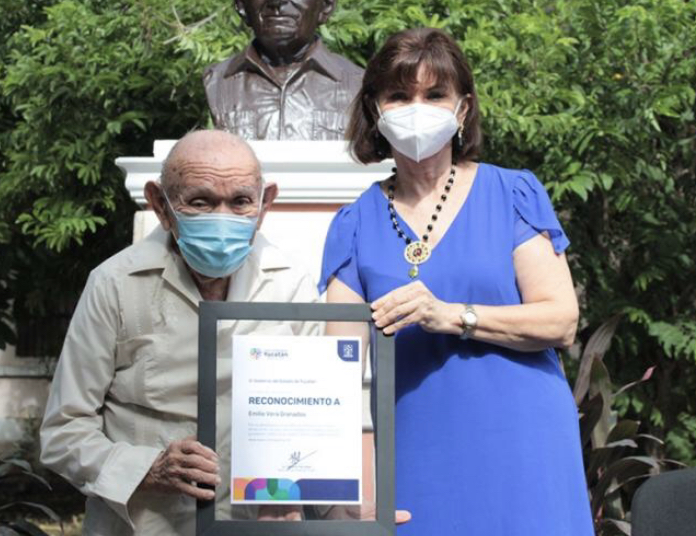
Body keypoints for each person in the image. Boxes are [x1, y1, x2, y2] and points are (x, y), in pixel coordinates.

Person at [319, 28, 594, 535]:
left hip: (525, 446)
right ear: (375, 109)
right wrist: (335, 496)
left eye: (434, 95)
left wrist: (451, 315)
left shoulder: (512, 194)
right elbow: (333, 375)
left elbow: (561, 321)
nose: (416, 109)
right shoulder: (353, 225)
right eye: (399, 95)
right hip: (416, 452)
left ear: (462, 109)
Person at [39, 130, 318, 535]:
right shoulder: (115, 283)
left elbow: (316, 416)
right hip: (141, 526)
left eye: (240, 201)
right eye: (201, 202)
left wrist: (333, 506)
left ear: (264, 205)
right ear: (161, 205)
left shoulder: (292, 284)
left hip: (253, 525)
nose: (222, 219)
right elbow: (63, 431)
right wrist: (148, 468)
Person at [203, 0, 363, 140]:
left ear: (326, 6)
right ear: (241, 6)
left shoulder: (359, 84)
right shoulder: (216, 80)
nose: (277, 2)